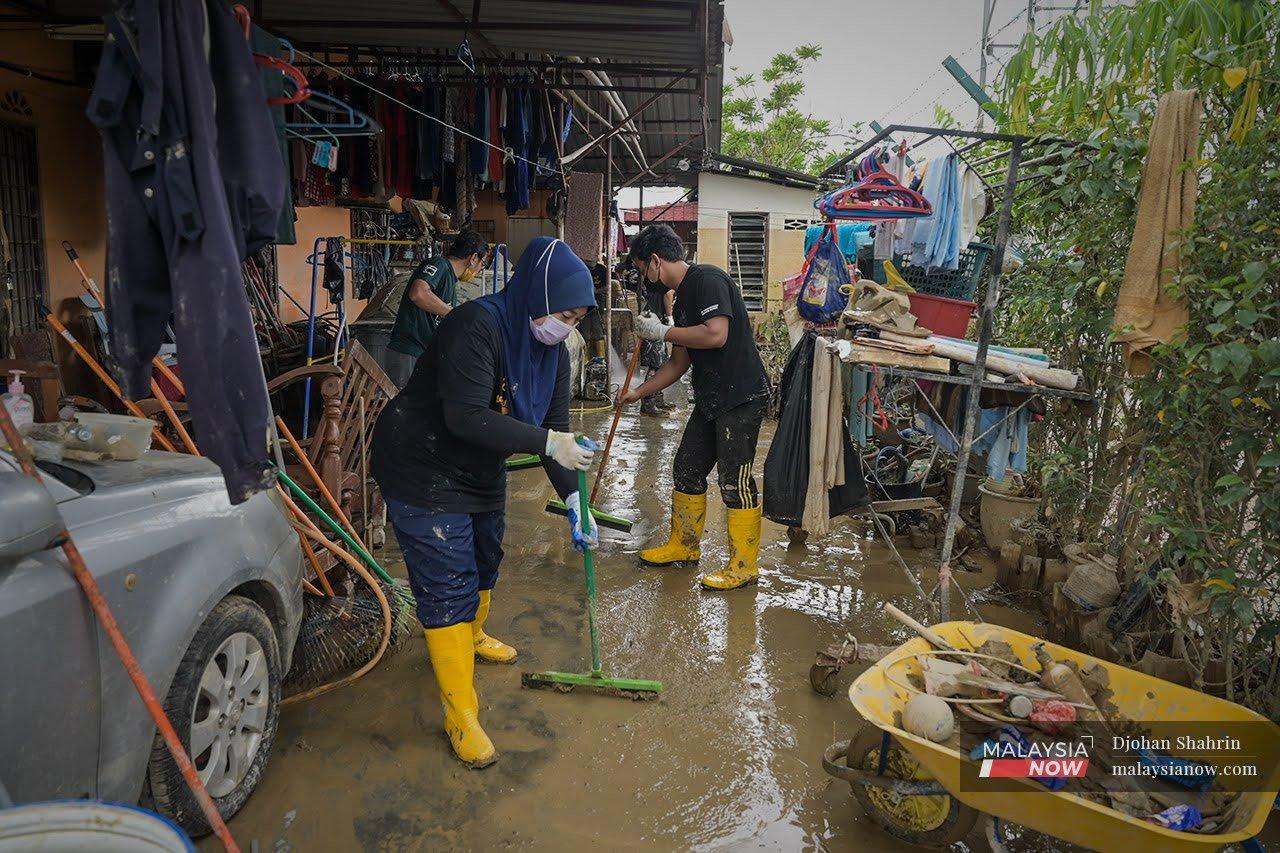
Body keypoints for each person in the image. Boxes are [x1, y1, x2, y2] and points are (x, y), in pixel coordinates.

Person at [371, 236, 599, 768]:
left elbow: (556, 431)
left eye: (577, 318)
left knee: (486, 554)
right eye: (564, 314)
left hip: (477, 465)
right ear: (535, 296)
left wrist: (575, 503)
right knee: (447, 578)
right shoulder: (476, 324)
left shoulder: (554, 352)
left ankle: (471, 635)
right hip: (422, 461)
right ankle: (461, 712)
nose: (568, 327)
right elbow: (465, 417)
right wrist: (546, 442)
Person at [621, 224, 770, 591]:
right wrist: (638, 393)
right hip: (711, 397)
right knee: (687, 468)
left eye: (642, 270)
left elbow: (715, 334)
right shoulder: (681, 295)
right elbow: (678, 363)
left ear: (655, 261)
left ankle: (743, 565)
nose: (645, 279)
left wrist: (663, 332)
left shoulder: (707, 280)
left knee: (735, 481)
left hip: (742, 396)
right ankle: (683, 546)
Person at [384, 229, 488, 387]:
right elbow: (418, 293)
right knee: (404, 409)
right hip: (408, 353)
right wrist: (454, 313)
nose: (481, 269)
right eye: (483, 263)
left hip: (422, 356)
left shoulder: (450, 281)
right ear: (473, 258)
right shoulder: (438, 265)